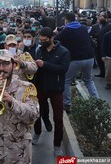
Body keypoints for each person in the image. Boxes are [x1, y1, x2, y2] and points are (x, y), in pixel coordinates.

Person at [33, 27, 70, 157]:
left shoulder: (63, 52)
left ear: (52, 38)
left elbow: (63, 69)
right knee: (37, 113)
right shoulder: (39, 50)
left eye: (45, 40)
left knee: (58, 119)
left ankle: (57, 145)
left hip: (56, 89)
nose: (42, 42)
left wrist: (45, 65)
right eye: (41, 40)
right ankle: (37, 132)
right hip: (41, 87)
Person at [54, 12, 99, 113]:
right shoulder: (83, 28)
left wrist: (56, 32)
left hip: (75, 60)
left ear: (66, 20)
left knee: (66, 81)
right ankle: (96, 101)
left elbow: (56, 40)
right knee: (88, 80)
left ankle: (67, 103)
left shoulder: (67, 30)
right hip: (89, 58)